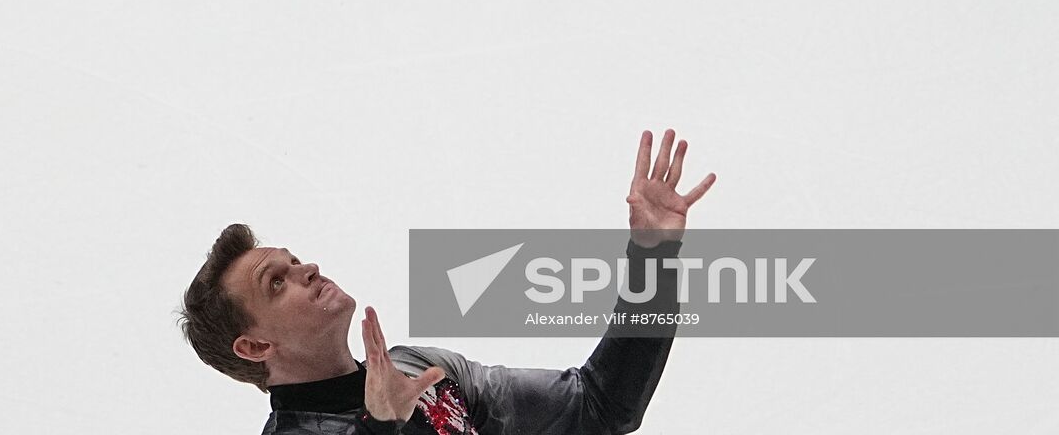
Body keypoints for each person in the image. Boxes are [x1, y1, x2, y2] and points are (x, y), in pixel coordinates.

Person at [179, 128, 714, 434]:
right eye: (276, 283)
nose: (308, 270)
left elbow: (598, 406)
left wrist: (653, 256)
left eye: (294, 261)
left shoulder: (419, 370)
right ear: (254, 346)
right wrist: (382, 425)